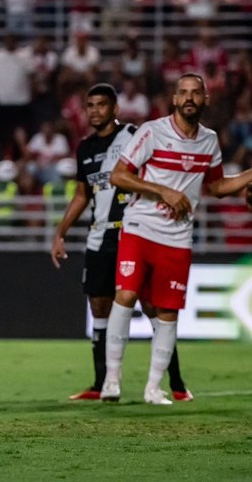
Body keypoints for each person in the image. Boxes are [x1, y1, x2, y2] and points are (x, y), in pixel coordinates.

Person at [102, 73, 252, 404]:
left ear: (205, 99)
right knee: (125, 296)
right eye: (183, 92)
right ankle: (112, 380)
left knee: (169, 313)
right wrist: (163, 191)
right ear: (174, 99)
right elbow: (119, 176)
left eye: (195, 93)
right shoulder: (152, 132)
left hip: (178, 238)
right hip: (140, 227)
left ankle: (154, 389)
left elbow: (214, 187)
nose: (189, 98)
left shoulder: (209, 140)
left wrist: (248, 176)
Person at [51, 83, 191, 402]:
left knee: (152, 306)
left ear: (115, 109)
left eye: (102, 105)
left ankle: (178, 384)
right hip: (99, 237)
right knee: (99, 308)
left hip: (135, 233)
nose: (96, 110)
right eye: (90, 105)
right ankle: (102, 384)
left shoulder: (134, 136)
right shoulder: (85, 148)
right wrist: (60, 232)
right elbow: (82, 194)